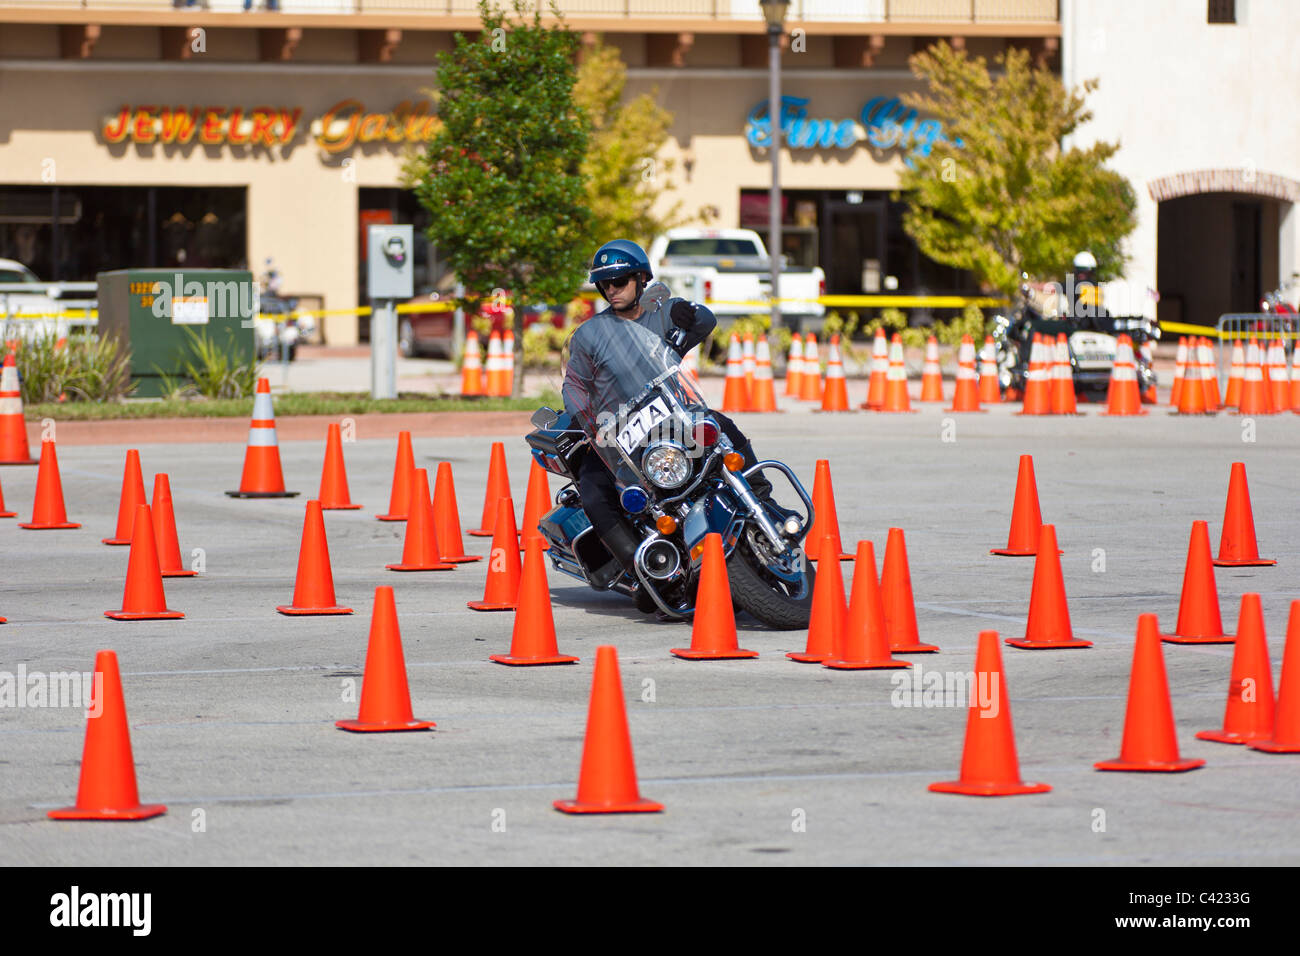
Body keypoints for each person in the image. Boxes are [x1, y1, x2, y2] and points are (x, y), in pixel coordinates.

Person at [561, 239, 780, 586]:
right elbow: (573, 385)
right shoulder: (591, 335)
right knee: (592, 487)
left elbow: (703, 318)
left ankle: (764, 501)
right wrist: (588, 422)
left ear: (640, 279)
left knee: (722, 426)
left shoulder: (662, 310)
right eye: (605, 284)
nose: (611, 290)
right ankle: (644, 573)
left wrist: (690, 320)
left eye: (619, 281)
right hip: (620, 435)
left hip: (672, 416)